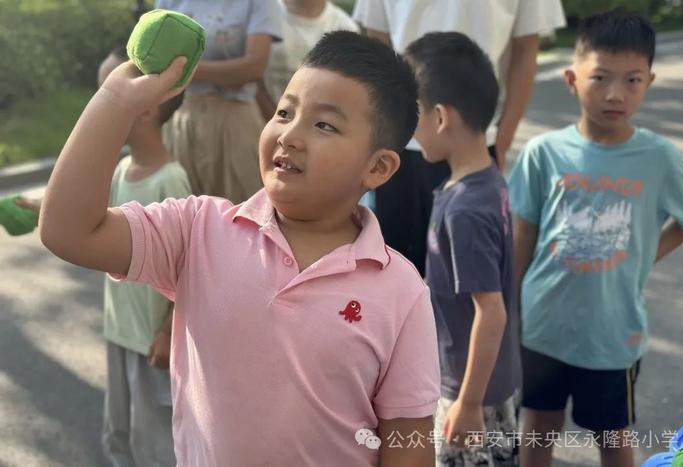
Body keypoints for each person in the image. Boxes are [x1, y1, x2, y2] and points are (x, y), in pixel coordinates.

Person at [39, 31, 440, 466]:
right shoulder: (198, 229)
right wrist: (115, 100)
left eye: (324, 124)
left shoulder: (401, 292)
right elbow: (69, 230)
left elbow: (410, 442)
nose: (289, 134)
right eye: (285, 112)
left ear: (377, 166)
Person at [508, 11, 683, 467]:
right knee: (537, 425)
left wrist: (646, 254)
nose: (615, 93)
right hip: (542, 326)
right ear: (573, 79)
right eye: (600, 77)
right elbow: (523, 233)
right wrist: (509, 310)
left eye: (632, 80)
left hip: (612, 335)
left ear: (649, 81)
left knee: (613, 434)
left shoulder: (658, 156)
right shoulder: (544, 153)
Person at [22, 48, 192, 466]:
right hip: (119, 330)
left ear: (148, 110)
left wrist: (169, 331)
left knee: (154, 440)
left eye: (109, 94)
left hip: (151, 339)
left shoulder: (171, 180)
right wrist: (34, 204)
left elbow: (189, 266)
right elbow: (87, 215)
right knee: (118, 430)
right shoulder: (119, 170)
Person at [352, 0, 566, 275]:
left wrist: (503, 138)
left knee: (468, 282)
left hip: (474, 143)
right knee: (392, 276)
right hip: (398, 142)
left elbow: (526, 47)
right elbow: (378, 40)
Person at [405, 32, 521, 467]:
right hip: (493, 380)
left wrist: (468, 404)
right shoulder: (485, 181)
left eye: (411, 115)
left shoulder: (466, 209)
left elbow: (490, 312)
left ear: (439, 117)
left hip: (472, 391)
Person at [155, 0, 283, 202]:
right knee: (181, 215)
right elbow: (156, 59)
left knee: (239, 212)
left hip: (235, 122)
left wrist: (182, 70)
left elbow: (254, 67)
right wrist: (227, 73)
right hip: (181, 120)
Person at [256, 0, 359, 121]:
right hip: (257, 121)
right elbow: (252, 75)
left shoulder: (346, 27)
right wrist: (276, 119)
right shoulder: (263, 14)